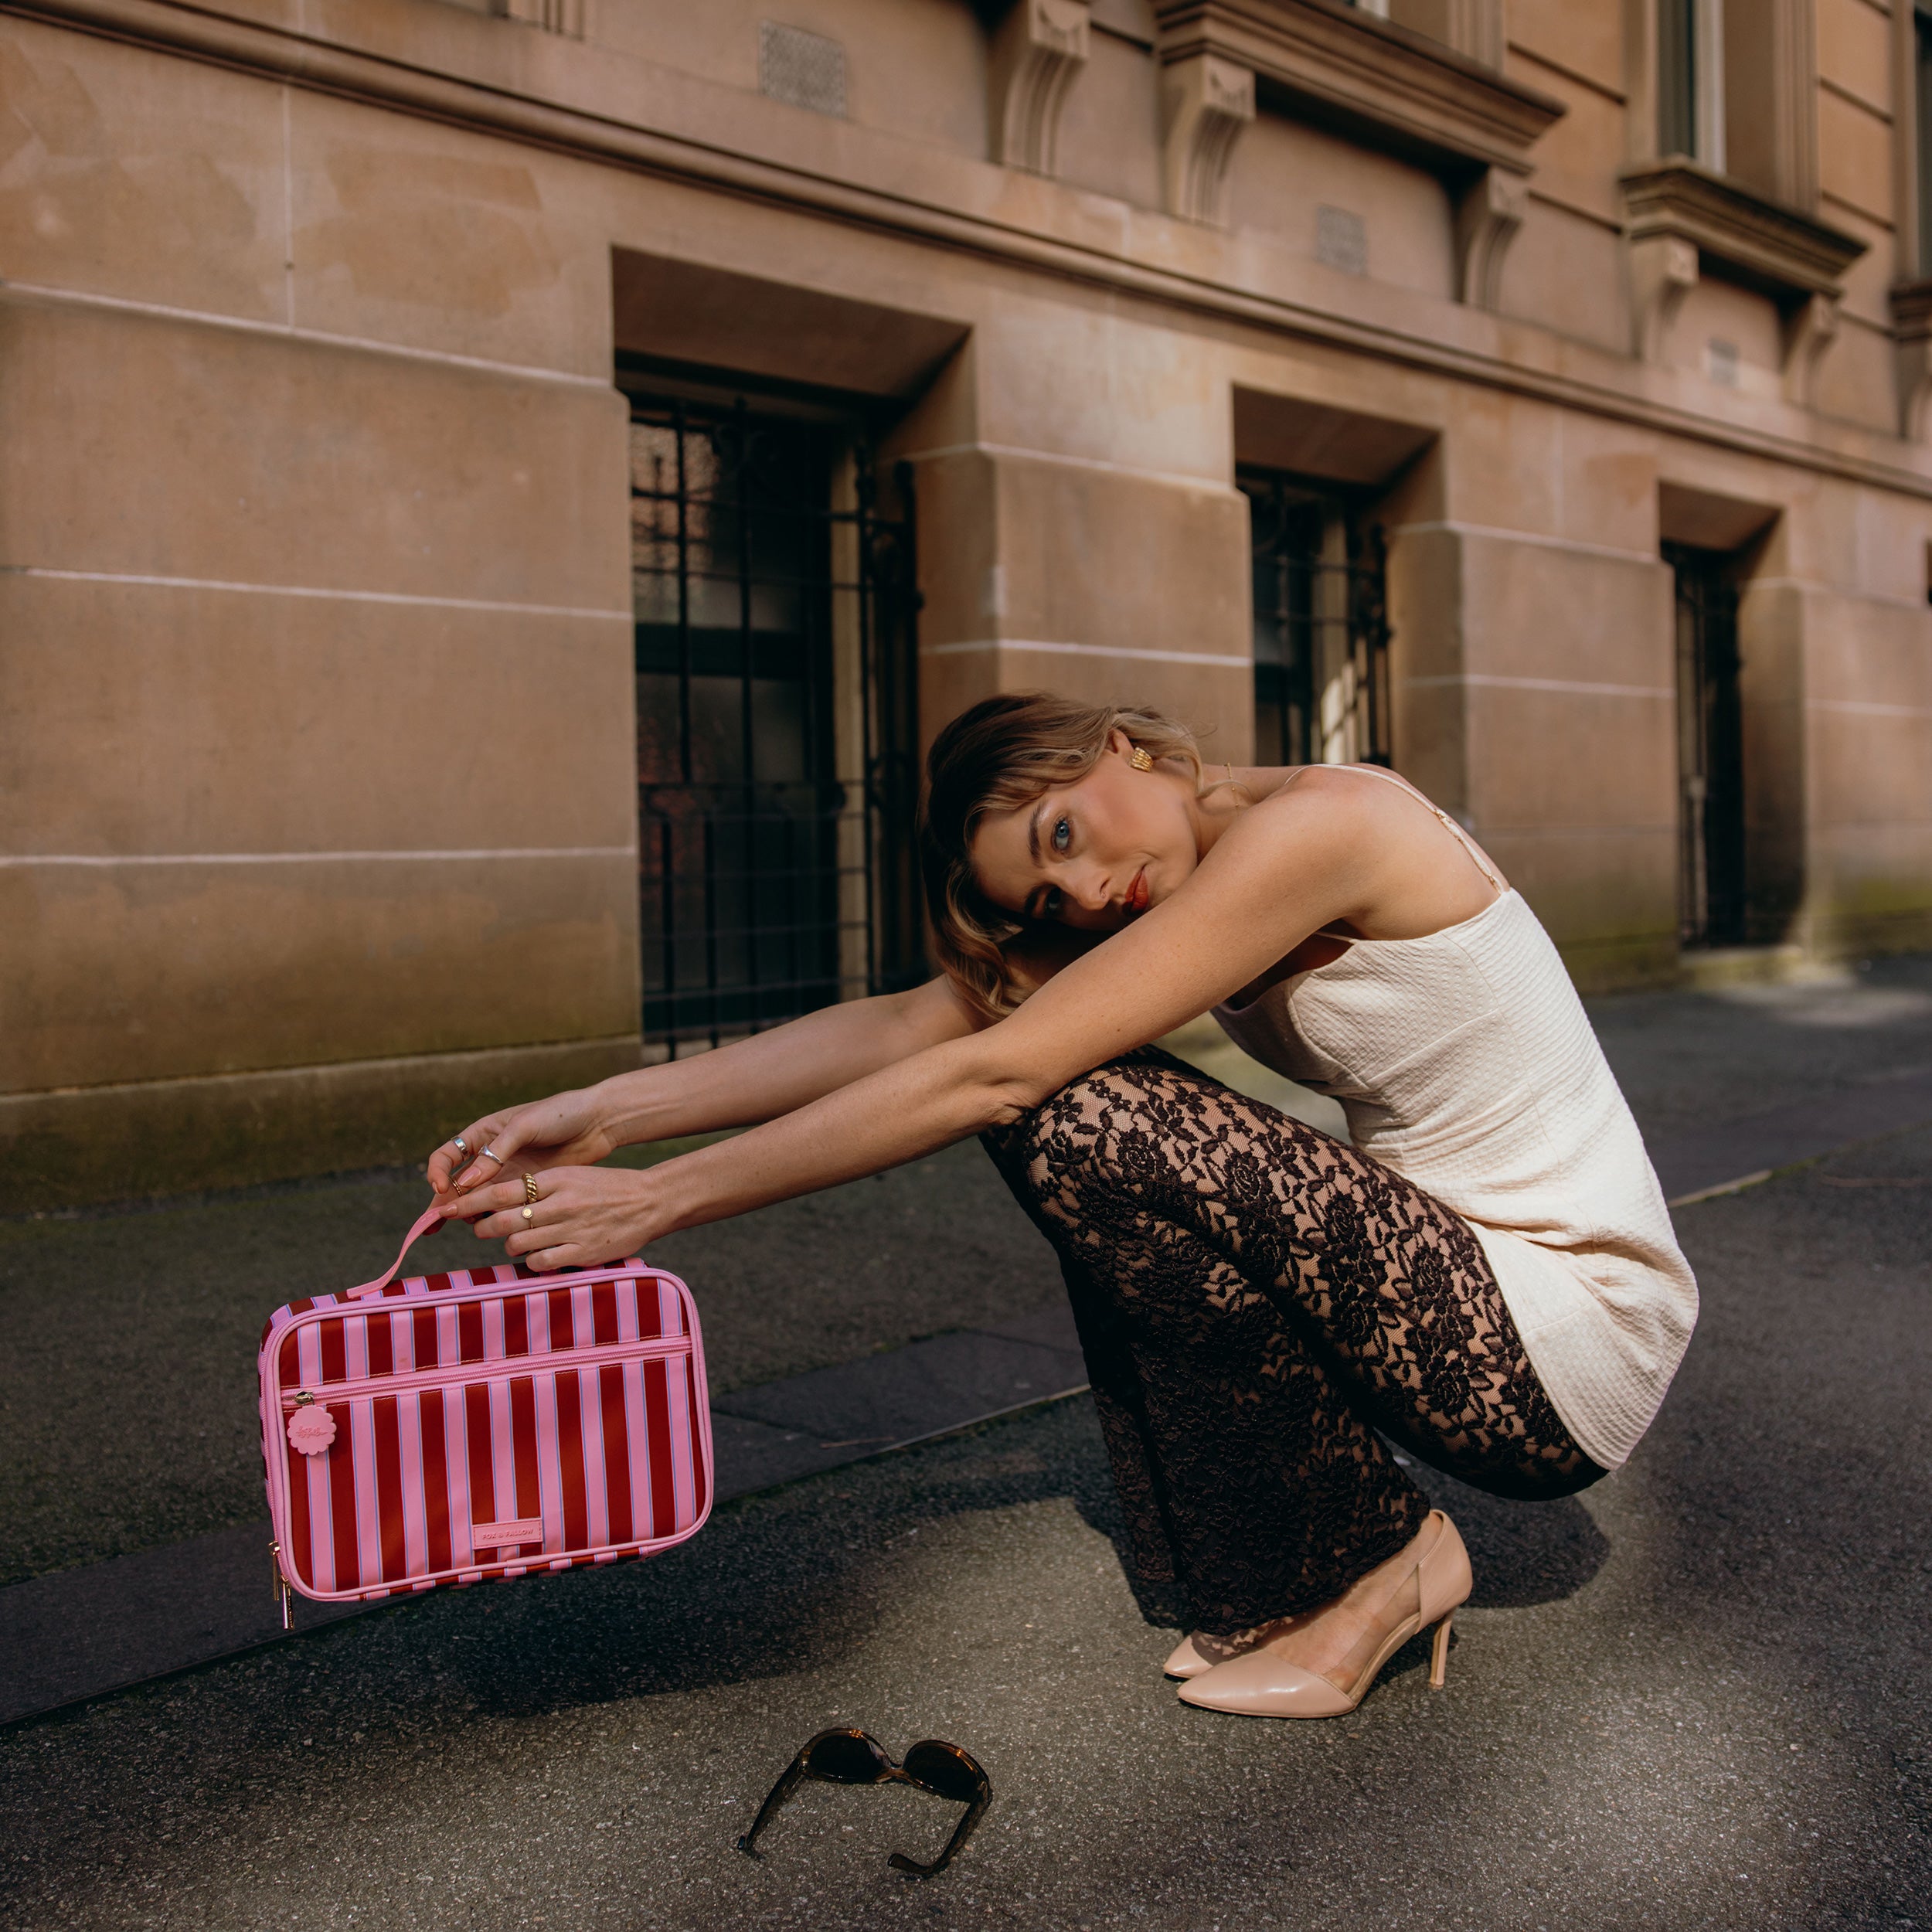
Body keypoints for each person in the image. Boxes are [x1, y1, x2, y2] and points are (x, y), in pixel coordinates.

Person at [430, 692, 1696, 1720]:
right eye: (1051, 894)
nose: (1086, 894)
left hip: (1559, 1327)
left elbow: (997, 1068)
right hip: (1454, 1296)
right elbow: (923, 1022)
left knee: (1069, 1105)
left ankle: (1376, 1561)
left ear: (1125, 748)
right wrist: (609, 1113)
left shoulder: (1329, 822)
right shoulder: (1198, 866)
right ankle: (1321, 1556)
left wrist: (661, 1199)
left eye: (1062, 836)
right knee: (1051, 1095)